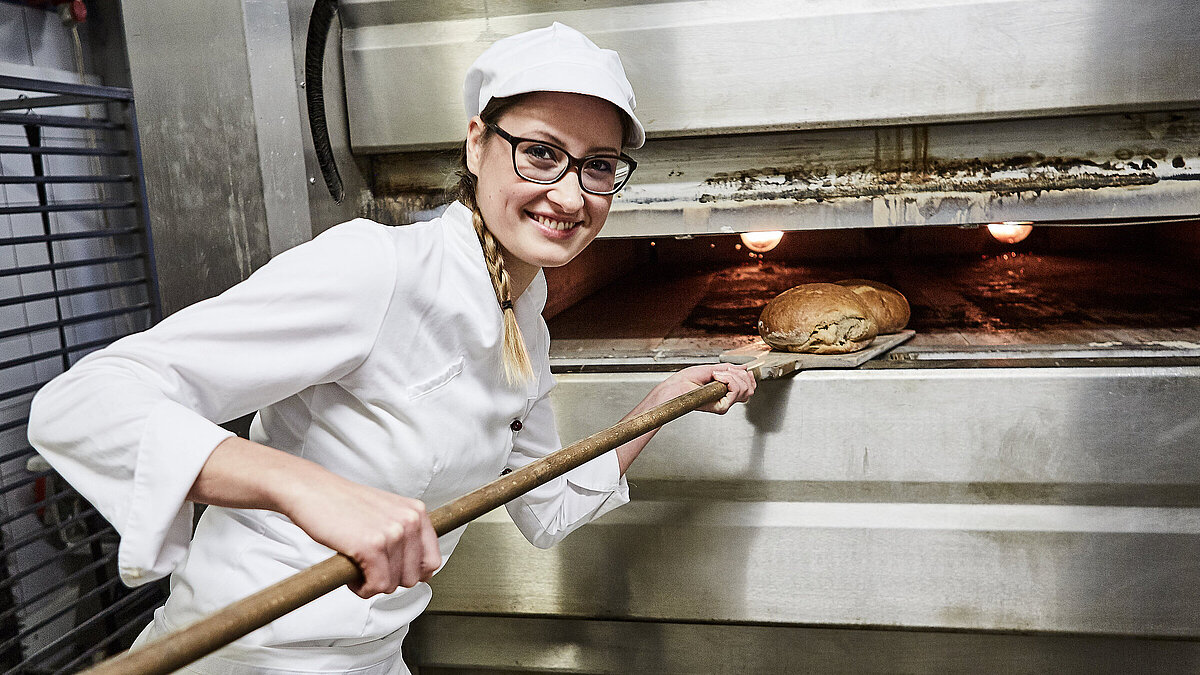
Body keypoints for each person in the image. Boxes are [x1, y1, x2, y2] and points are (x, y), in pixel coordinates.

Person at [27, 22, 755, 674]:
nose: (570, 196)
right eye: (540, 153)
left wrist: (660, 405)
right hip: (247, 652)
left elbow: (548, 507)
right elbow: (84, 403)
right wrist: (303, 487)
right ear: (477, 143)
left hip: (372, 656)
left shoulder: (522, 322)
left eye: (598, 165)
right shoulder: (379, 269)